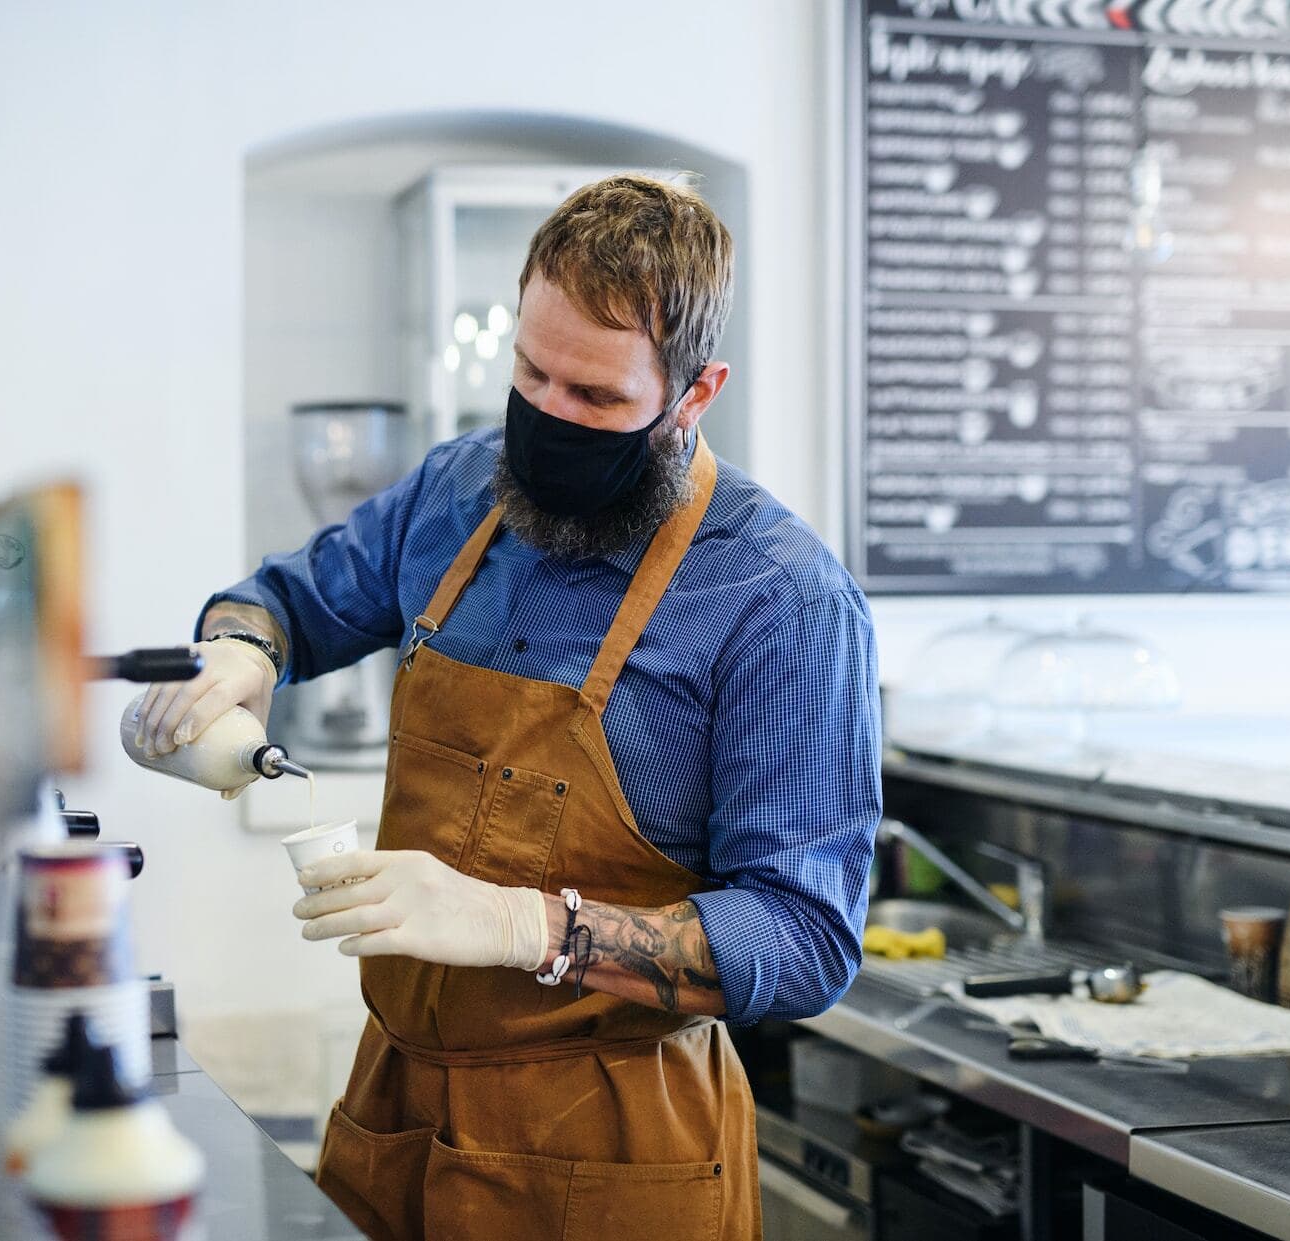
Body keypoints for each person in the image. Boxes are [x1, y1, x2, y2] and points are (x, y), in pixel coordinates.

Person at [134, 174, 880, 1241]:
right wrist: (240, 654)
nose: (550, 417)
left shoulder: (782, 600)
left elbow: (805, 935)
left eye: (598, 398)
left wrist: (527, 924)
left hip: (618, 1149)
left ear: (696, 391)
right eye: (531, 373)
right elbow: (287, 600)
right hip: (396, 1109)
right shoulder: (458, 491)